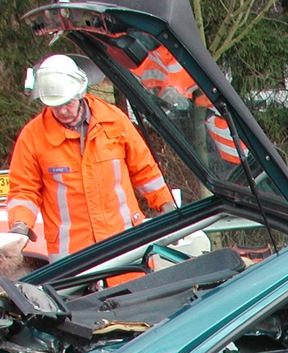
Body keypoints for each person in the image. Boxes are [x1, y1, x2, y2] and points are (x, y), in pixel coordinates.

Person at [3, 54, 176, 263]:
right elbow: (24, 190)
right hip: (72, 259)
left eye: (67, 103)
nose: (63, 110)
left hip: (124, 245)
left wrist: (165, 204)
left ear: (80, 92)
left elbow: (145, 171)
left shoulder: (114, 121)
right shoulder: (33, 136)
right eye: (55, 105)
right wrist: (20, 224)